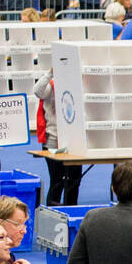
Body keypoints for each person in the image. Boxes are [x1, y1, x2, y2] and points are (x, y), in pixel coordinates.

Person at [34, 66, 81, 207]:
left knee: (74, 182)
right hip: (53, 142)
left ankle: (72, 210)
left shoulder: (78, 87)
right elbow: (37, 90)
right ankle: (52, 212)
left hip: (74, 142)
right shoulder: (50, 87)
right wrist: (50, 73)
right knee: (57, 180)